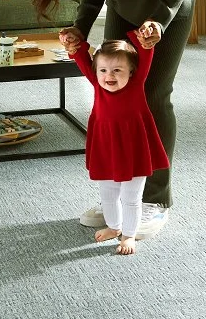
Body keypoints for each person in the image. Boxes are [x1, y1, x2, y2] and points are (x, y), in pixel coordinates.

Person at [31, 0, 199, 239]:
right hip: (123, 10)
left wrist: (160, 19)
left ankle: (154, 200)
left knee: (152, 97)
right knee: (113, 97)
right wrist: (80, 28)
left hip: (167, 13)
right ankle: (124, 197)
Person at [68, 32, 169, 254]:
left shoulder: (136, 83)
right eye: (103, 70)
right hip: (106, 148)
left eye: (117, 70)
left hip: (134, 150)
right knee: (108, 195)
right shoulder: (97, 84)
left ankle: (129, 234)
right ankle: (114, 227)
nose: (109, 76)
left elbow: (146, 53)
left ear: (131, 72)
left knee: (131, 198)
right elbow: (80, 56)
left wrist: (145, 40)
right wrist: (72, 44)